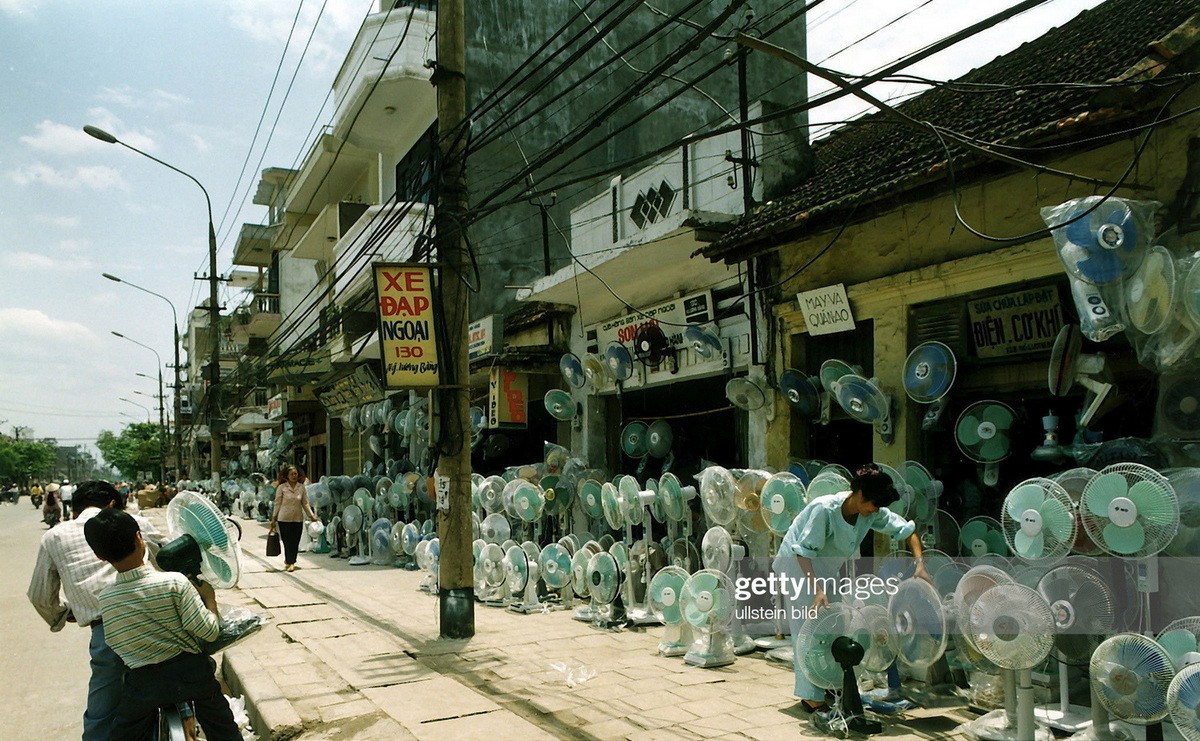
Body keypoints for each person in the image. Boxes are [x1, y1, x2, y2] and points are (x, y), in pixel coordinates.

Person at [772, 464, 930, 715]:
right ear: (858, 495)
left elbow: (907, 531)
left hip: (825, 567)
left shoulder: (872, 512)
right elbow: (803, 552)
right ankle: (810, 696)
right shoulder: (824, 509)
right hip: (797, 565)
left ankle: (830, 683)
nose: (875, 511)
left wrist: (920, 566)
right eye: (873, 505)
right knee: (808, 627)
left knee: (836, 623)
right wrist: (817, 589)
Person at [83, 508, 240, 741]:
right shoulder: (174, 582)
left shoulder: (107, 598)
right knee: (223, 728)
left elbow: (117, 644)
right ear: (139, 538)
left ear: (100, 556)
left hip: (143, 686)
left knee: (124, 734)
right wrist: (210, 600)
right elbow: (208, 631)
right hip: (193, 677)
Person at [27, 480, 164, 741]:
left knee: (102, 714)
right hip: (157, 620)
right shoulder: (136, 524)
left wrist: (64, 613)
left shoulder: (54, 536)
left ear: (75, 508)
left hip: (107, 630)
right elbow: (170, 556)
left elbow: (39, 595)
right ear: (113, 505)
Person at [269, 465, 319, 573]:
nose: (294, 476)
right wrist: (274, 518)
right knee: (287, 542)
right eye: (292, 474)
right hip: (284, 519)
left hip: (297, 519)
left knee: (295, 541)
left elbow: (305, 503)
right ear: (287, 476)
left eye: (295, 474)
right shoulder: (282, 488)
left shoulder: (301, 487)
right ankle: (290, 562)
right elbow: (277, 503)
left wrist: (311, 516)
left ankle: (291, 560)